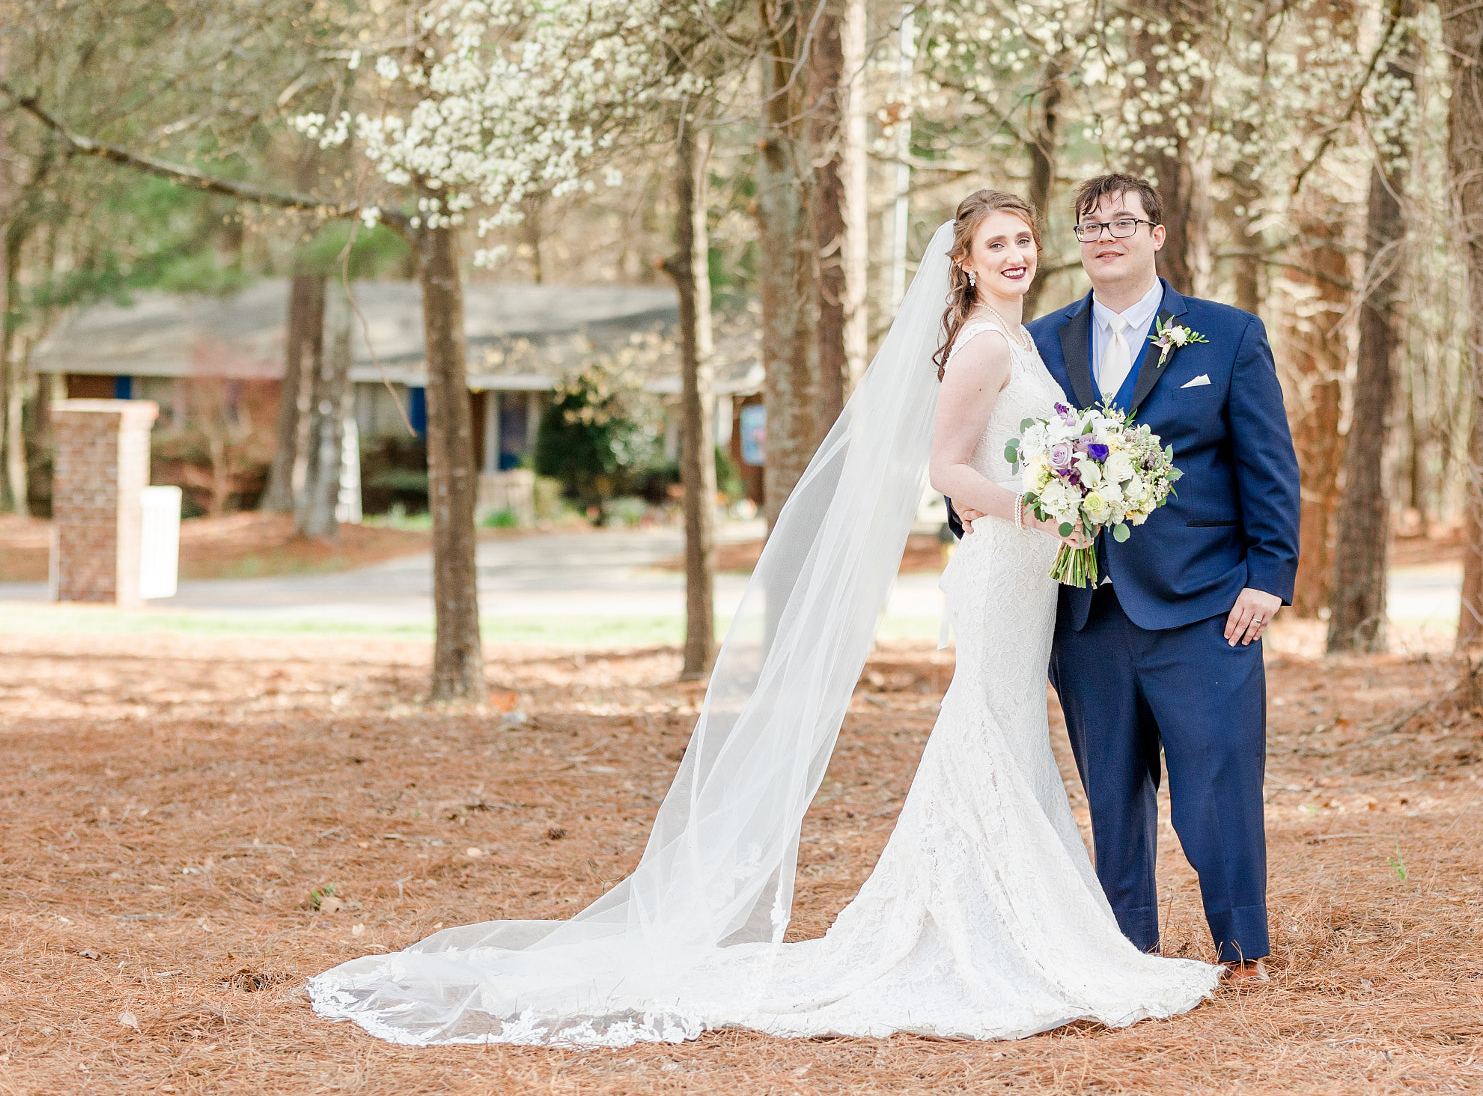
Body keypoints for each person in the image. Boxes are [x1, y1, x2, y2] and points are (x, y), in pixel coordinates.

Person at [307, 189, 1220, 1047]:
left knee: (1005, 733)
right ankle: (995, 934)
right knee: (988, 731)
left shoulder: (1016, 341)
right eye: (997, 245)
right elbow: (946, 469)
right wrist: (1047, 506)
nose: (1017, 254)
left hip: (1028, 578)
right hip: (1001, 571)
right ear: (966, 263)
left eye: (1024, 240)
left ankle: (1004, 923)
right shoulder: (984, 344)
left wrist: (1070, 488)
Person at [964, 172, 1299, 983]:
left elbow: (1270, 466)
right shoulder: (1036, 342)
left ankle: (1242, 948)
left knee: (1216, 786)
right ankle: (1127, 953)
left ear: (1157, 234)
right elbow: (989, 453)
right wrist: (993, 521)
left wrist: (1269, 575)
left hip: (1205, 606)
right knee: (1112, 799)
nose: (1105, 235)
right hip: (1083, 614)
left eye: (1123, 222)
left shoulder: (1225, 336)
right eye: (1089, 226)